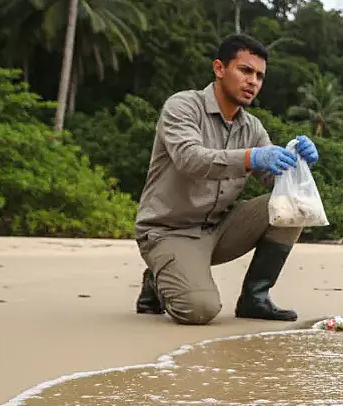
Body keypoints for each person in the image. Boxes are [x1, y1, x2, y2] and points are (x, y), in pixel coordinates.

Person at [132, 34, 319, 325]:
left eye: (259, 76)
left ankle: (255, 298)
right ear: (219, 68)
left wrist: (299, 164)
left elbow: (274, 181)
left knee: (293, 203)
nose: (253, 81)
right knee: (200, 310)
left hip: (218, 229)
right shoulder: (182, 106)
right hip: (169, 231)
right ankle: (159, 278)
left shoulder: (252, 127)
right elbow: (190, 159)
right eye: (245, 70)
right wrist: (251, 157)